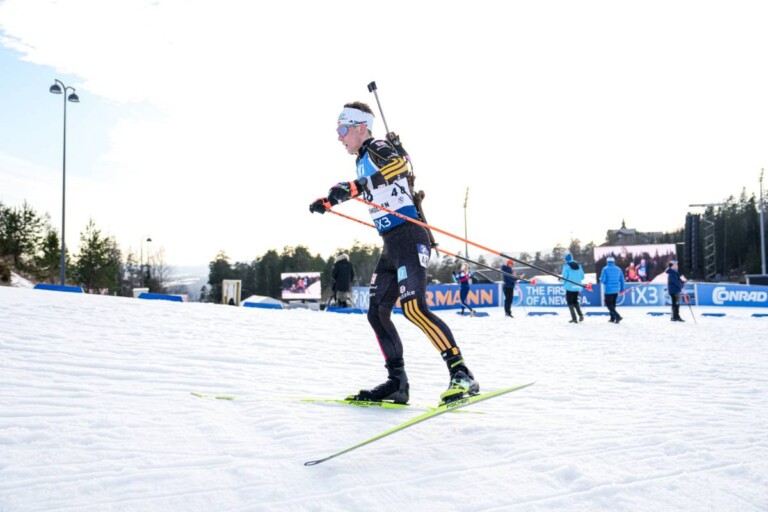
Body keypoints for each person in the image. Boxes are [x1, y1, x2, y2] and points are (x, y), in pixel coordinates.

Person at [308, 101, 479, 405]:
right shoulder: (362, 159)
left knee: (414, 308)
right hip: (391, 244)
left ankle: (461, 373)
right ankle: (397, 383)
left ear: (361, 127)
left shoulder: (377, 146)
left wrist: (355, 186)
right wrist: (330, 200)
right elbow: (370, 186)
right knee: (376, 312)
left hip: (410, 236)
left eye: (343, 129)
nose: (339, 136)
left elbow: (399, 166)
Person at [599, 255, 625, 323]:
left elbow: (603, 280)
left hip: (608, 290)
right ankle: (612, 318)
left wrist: (601, 279)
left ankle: (617, 316)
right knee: (613, 304)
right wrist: (622, 289)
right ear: (614, 261)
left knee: (608, 304)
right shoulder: (619, 269)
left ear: (607, 261)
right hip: (616, 290)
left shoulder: (605, 269)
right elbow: (622, 280)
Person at [561, 253, 585, 323]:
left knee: (570, 303)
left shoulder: (566, 267)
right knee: (575, 301)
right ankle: (581, 315)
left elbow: (564, 278)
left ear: (566, 259)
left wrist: (560, 279)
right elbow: (582, 277)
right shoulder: (579, 266)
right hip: (577, 286)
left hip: (569, 287)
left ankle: (574, 318)